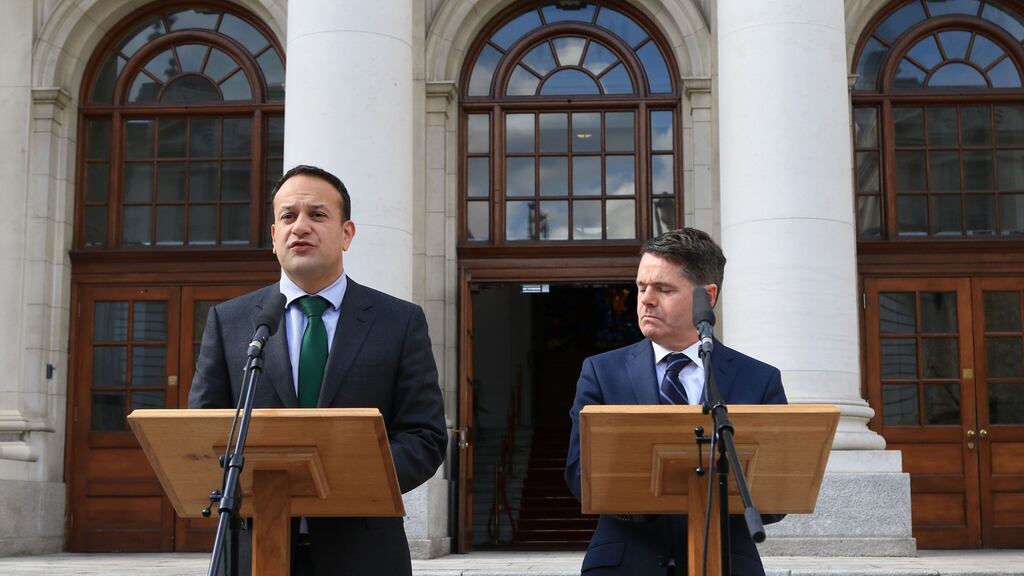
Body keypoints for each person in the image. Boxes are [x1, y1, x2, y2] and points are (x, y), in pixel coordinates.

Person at [189, 165, 447, 576]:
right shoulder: (231, 322)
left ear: (347, 233)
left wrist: (340, 480)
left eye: (318, 215)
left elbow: (425, 436)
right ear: (274, 236)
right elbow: (205, 431)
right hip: (252, 549)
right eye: (288, 216)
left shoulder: (398, 321)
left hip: (363, 552)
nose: (300, 227)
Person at [564, 228, 787, 575]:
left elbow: (778, 491)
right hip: (626, 562)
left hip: (727, 562)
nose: (646, 299)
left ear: (706, 297)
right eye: (641, 287)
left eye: (663, 289)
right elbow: (580, 475)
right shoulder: (601, 372)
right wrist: (647, 501)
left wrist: (711, 501)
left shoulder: (759, 379)